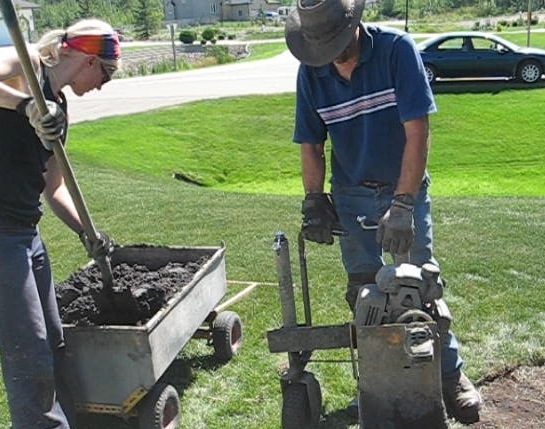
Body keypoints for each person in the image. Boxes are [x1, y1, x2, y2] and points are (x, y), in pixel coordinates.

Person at [285, 0, 482, 424]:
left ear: (353, 24)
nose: (331, 56)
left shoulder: (396, 50)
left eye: (337, 44)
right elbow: (311, 145)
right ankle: (377, 382)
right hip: (351, 195)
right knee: (364, 295)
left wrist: (404, 203)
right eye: (322, 48)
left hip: (402, 186)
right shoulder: (312, 71)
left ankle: (451, 377)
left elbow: (418, 133)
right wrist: (314, 200)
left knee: (421, 287)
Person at [0, 18, 119, 428]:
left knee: (54, 342)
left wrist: (87, 231)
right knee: (28, 354)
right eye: (106, 72)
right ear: (88, 59)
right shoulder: (27, 63)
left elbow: (54, 187)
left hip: (25, 235)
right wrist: (25, 105)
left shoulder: (60, 109)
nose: (103, 85)